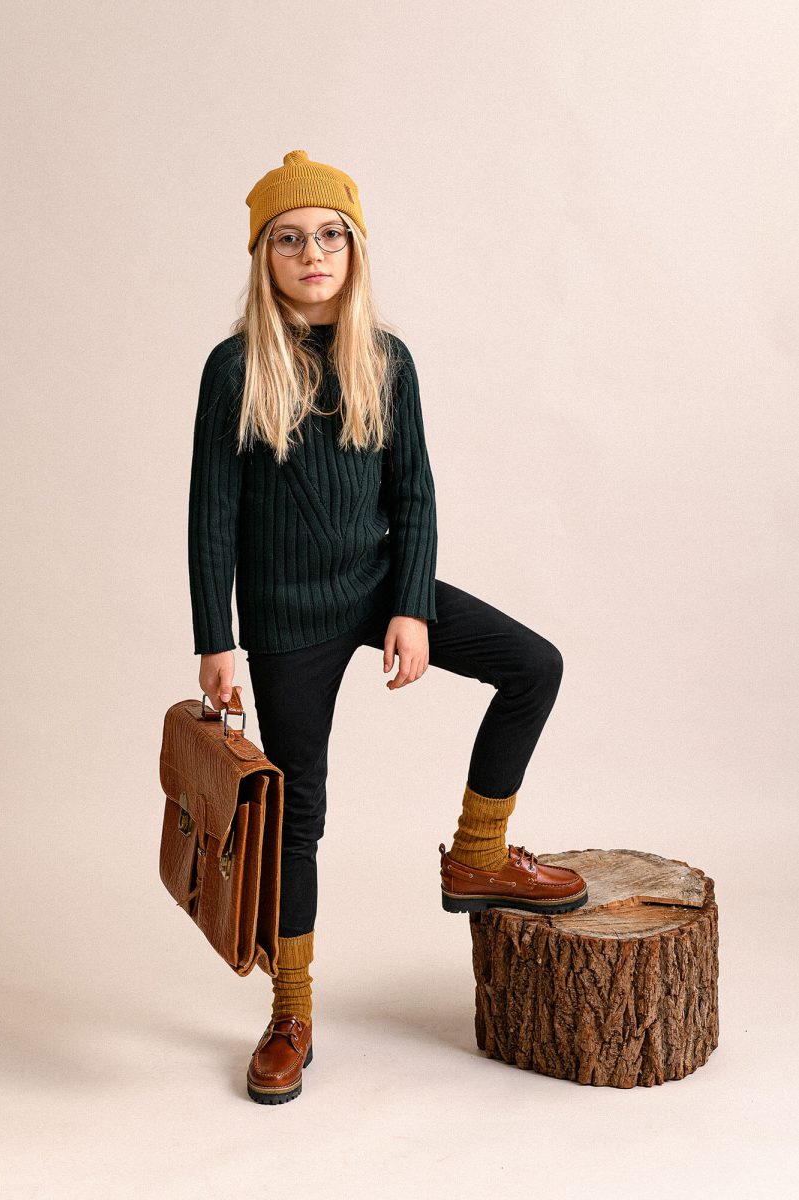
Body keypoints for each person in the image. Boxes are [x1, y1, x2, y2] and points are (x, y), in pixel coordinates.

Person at [187, 149, 588, 1105]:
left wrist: (409, 605)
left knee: (534, 665)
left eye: (330, 236)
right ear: (264, 256)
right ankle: (290, 1013)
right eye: (289, 239)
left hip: (374, 587)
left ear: (354, 250)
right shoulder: (236, 366)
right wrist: (216, 640)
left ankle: (479, 853)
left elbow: (415, 494)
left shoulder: (386, 358)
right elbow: (210, 514)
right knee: (298, 817)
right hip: (286, 620)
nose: (311, 253)